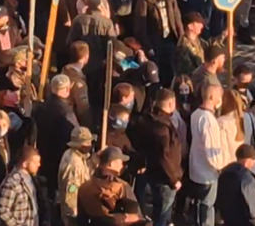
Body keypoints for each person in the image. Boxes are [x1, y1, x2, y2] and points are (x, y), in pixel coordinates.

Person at [141, 89, 182, 226]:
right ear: (171, 103)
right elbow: (163, 155)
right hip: (164, 179)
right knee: (163, 215)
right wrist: (173, 179)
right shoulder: (161, 127)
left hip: (157, 175)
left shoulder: (151, 120)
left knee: (161, 212)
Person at [76, 146, 141, 225]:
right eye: (120, 162)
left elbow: (81, 220)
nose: (122, 166)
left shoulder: (84, 188)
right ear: (111, 164)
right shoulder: (122, 187)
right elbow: (135, 216)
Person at [189, 83, 225, 226]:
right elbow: (211, 148)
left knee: (198, 206)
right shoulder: (208, 120)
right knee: (207, 208)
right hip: (207, 173)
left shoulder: (196, 114)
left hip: (196, 169)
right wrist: (220, 166)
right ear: (212, 97)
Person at [0, 146, 44, 226]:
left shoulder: (31, 180)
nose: (39, 165)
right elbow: (2, 211)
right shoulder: (12, 183)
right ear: (25, 164)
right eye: (35, 162)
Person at [216, 144, 255, 226]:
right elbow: (252, 210)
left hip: (228, 220)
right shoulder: (247, 180)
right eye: (254, 159)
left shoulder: (225, 172)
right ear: (248, 160)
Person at [59, 126, 95, 226]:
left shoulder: (78, 157)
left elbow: (84, 175)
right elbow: (71, 187)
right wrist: (72, 212)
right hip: (75, 210)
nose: (89, 145)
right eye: (86, 143)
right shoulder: (74, 162)